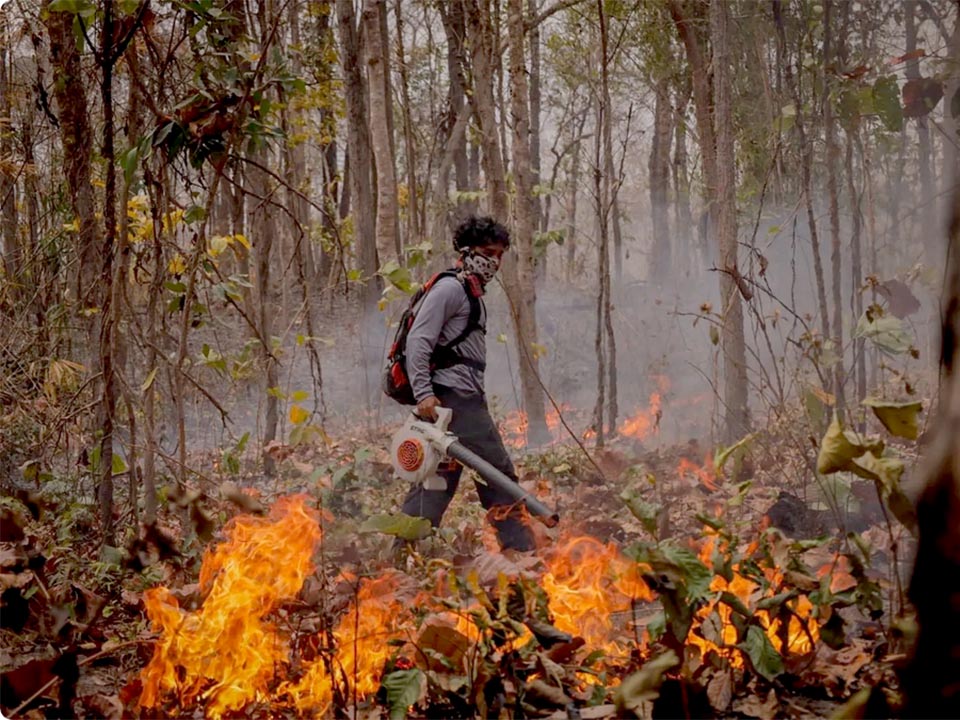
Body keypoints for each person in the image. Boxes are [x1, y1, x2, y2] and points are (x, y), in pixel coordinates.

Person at [399, 215, 535, 552]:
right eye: (488, 252)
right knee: (498, 477)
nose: (494, 262)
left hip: (456, 401)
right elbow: (419, 340)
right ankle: (523, 554)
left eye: (500, 255)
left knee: (436, 481)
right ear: (467, 251)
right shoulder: (450, 289)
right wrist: (424, 393)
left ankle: (403, 553)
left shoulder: (470, 294)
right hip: (455, 402)